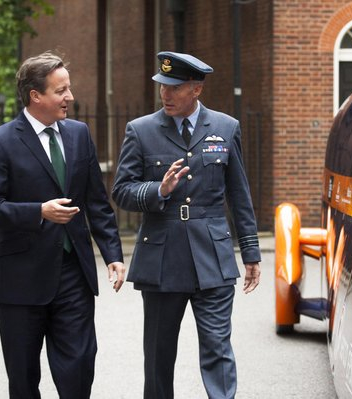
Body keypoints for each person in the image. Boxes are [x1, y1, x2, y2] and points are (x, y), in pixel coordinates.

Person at [0, 51, 126, 398]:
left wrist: (112, 254)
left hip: (73, 274)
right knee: (24, 379)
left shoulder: (79, 134)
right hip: (20, 279)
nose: (70, 97)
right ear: (35, 96)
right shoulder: (0, 142)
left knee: (79, 368)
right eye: (61, 91)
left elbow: (97, 202)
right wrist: (37, 211)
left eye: (68, 89)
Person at [112, 51, 261, 399]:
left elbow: (239, 195)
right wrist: (157, 190)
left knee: (218, 349)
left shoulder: (225, 128)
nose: (166, 94)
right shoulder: (141, 130)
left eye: (175, 88)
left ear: (195, 90)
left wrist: (251, 252)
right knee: (159, 355)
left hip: (213, 254)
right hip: (162, 257)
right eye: (162, 86)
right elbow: (121, 191)